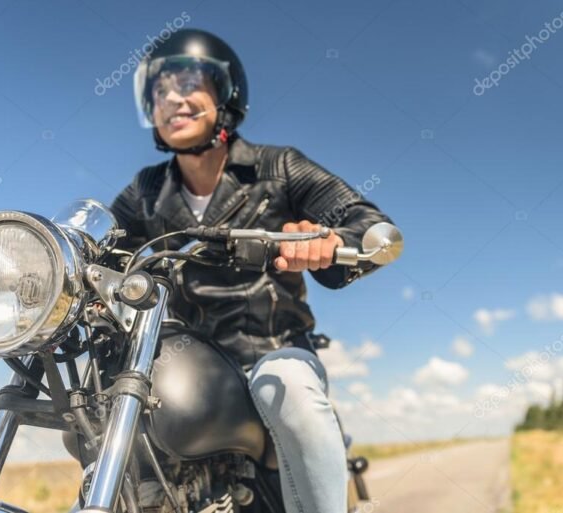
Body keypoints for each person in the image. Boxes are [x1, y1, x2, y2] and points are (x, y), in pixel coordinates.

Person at [111, 28, 393, 513]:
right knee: (106, 403)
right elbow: (105, 251)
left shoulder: (278, 167)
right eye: (159, 91)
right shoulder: (145, 191)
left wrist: (331, 242)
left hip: (273, 350)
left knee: (290, 393)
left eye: (187, 83)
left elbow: (365, 222)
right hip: (185, 363)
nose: (171, 99)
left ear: (225, 94)